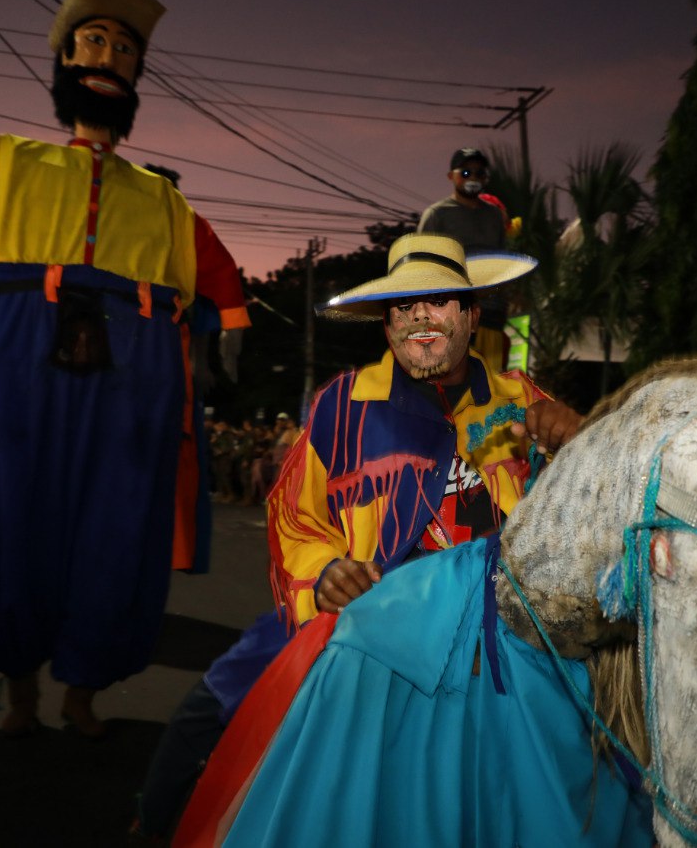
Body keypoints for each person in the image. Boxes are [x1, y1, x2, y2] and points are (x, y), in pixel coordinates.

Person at [0, 0, 250, 737]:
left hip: (132, 356)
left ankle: (85, 684)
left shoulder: (162, 198)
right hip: (18, 342)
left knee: (115, 520)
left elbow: (218, 266)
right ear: (67, 61)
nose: (110, 60)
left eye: (126, 51)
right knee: (9, 509)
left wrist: (227, 328)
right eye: (95, 44)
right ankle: (18, 684)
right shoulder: (8, 159)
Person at [138, 233, 583, 840]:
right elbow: (295, 517)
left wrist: (581, 445)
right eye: (404, 305)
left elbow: (588, 519)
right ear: (385, 322)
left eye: (441, 300)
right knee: (208, 709)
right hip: (364, 609)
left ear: (472, 315)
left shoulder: (522, 399)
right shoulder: (341, 406)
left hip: (497, 622)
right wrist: (324, 571)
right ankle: (154, 827)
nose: (421, 316)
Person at [418, 147, 511, 372]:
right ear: (452, 176)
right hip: (451, 317)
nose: (474, 178)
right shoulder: (437, 214)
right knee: (450, 382)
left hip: (491, 315)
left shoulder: (494, 215)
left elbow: (502, 260)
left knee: (490, 383)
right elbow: (419, 266)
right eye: (466, 173)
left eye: (480, 173)